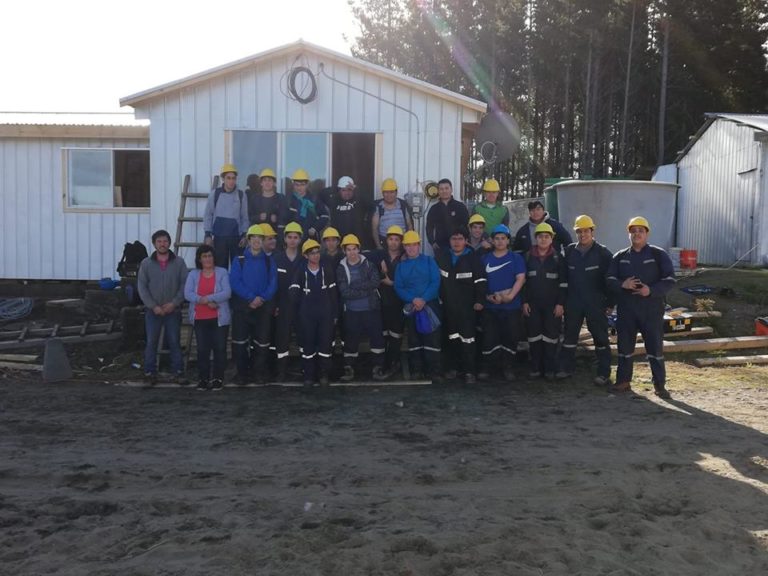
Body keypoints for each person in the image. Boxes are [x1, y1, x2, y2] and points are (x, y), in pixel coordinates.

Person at [606, 216, 676, 399]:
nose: (636, 234)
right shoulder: (620, 257)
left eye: (640, 231)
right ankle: (623, 381)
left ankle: (659, 385)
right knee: (625, 347)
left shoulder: (657, 254)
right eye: (633, 231)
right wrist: (623, 284)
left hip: (651, 309)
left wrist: (651, 290)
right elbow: (609, 279)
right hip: (627, 309)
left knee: (654, 348)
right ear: (628, 234)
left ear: (647, 233)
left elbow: (670, 279)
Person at [558, 215, 614, 385]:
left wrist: (610, 303)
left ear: (592, 231)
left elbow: (611, 280)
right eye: (579, 231)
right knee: (569, 336)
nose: (582, 234)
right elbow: (562, 278)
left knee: (600, 338)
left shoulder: (603, 253)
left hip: (595, 302)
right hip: (573, 302)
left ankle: (603, 373)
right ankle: (566, 369)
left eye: (586, 231)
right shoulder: (568, 252)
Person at [137, 229, 189, 385]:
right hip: (153, 311)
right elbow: (142, 287)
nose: (162, 244)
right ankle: (149, 374)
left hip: (173, 310)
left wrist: (174, 303)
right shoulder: (146, 263)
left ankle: (178, 372)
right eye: (159, 241)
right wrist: (153, 306)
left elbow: (184, 285)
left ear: (170, 242)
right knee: (151, 342)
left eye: (165, 241)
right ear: (154, 244)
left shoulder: (179, 262)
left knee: (174, 341)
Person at [435, 226, 486, 384]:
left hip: (467, 307)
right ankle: (453, 368)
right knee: (451, 338)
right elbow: (437, 280)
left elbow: (480, 281)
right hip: (448, 306)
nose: (456, 242)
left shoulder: (473, 258)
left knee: (468, 339)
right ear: (449, 241)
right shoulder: (442, 257)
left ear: (466, 241)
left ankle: (470, 371)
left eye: (460, 239)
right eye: (453, 239)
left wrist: (479, 301)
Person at [229, 224, 278, 385]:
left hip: (262, 307)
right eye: (253, 237)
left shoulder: (270, 261)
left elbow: (273, 283)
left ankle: (259, 373)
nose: (256, 240)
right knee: (240, 342)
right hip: (243, 307)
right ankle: (242, 374)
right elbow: (235, 282)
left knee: (262, 343)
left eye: (260, 238)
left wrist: (261, 298)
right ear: (248, 240)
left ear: (263, 241)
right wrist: (251, 298)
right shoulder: (239, 260)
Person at [479, 224, 526, 381]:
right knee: (489, 338)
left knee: (510, 337)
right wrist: (487, 297)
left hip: (511, 306)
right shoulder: (484, 259)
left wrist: (511, 296)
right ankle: (487, 367)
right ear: (492, 240)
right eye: (497, 238)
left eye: (503, 238)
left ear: (508, 241)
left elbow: (521, 278)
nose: (500, 242)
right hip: (490, 306)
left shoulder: (516, 258)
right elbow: (480, 282)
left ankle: (508, 367)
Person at [336, 234, 387, 382]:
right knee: (351, 340)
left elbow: (375, 282)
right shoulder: (341, 268)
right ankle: (349, 368)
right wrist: (365, 290)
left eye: (354, 249)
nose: (352, 252)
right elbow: (345, 291)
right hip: (352, 311)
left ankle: (378, 368)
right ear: (344, 251)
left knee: (377, 339)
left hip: (371, 309)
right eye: (349, 249)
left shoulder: (368, 264)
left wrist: (356, 287)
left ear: (359, 249)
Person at [395, 230, 443, 383]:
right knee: (414, 340)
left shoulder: (429, 261)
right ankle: (417, 370)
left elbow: (435, 282)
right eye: (407, 245)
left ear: (419, 245)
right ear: (404, 247)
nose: (411, 248)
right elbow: (398, 287)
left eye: (413, 245)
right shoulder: (401, 266)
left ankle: (434, 371)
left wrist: (423, 299)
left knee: (432, 339)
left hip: (430, 306)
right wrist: (413, 300)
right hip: (412, 307)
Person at [290, 239, 339, 387]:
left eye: (317, 252)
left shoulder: (326, 269)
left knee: (325, 344)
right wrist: (300, 310)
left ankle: (324, 374)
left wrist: (335, 314)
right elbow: (293, 293)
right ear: (305, 255)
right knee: (308, 345)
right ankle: (309, 375)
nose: (316, 256)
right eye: (312, 253)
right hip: (307, 315)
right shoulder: (300, 271)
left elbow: (333, 293)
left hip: (325, 314)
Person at [523, 223, 568, 379]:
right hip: (532, 304)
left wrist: (560, 304)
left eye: (546, 236)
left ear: (552, 239)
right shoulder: (528, 256)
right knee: (534, 336)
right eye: (540, 236)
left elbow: (563, 283)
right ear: (536, 238)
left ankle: (549, 369)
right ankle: (536, 367)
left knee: (551, 336)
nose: (543, 239)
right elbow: (523, 282)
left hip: (552, 305)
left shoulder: (558, 258)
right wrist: (524, 302)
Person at [184, 245, 231, 391]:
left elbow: (227, 292)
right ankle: (203, 378)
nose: (207, 259)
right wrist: (203, 300)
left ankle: (218, 378)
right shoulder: (193, 274)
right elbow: (188, 293)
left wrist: (209, 299)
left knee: (220, 349)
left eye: (210, 256)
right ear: (199, 259)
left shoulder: (222, 272)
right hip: (200, 318)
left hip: (219, 318)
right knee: (202, 350)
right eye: (204, 256)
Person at [370, 225, 406, 378]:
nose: (393, 242)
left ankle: (394, 362)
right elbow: (366, 268)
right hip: (382, 302)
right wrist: (380, 273)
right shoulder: (378, 255)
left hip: (399, 302)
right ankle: (382, 362)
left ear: (401, 242)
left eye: (396, 239)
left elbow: (409, 279)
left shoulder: (406, 257)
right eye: (391, 239)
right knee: (383, 333)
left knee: (396, 334)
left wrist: (391, 282)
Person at [272, 222, 304, 381]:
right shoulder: (277, 259)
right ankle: (281, 371)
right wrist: (275, 305)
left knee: (304, 337)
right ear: (284, 239)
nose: (292, 240)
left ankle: (305, 368)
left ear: (300, 239)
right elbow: (273, 284)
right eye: (289, 237)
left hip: (301, 306)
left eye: (295, 237)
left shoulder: (304, 259)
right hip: (283, 305)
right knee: (282, 338)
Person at [203, 163, 249, 268]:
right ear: (223, 179)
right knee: (219, 268)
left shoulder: (241, 195)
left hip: (236, 239)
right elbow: (208, 215)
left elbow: (244, 217)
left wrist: (244, 235)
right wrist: (207, 235)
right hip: (219, 238)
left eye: (233, 178)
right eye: (228, 178)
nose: (231, 181)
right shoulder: (215, 194)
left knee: (237, 267)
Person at [426, 178, 469, 255]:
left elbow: (467, 225)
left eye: (446, 188)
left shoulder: (460, 206)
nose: (444, 191)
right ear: (438, 191)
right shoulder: (434, 209)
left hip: (459, 245)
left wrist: (465, 240)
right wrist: (432, 242)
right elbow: (429, 227)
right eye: (441, 189)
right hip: (440, 246)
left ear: (451, 189)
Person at [371, 178, 414, 247]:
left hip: (402, 243)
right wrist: (379, 247)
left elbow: (410, 226)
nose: (389, 195)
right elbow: (374, 229)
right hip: (385, 243)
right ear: (382, 193)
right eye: (386, 192)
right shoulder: (378, 206)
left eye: (391, 192)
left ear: (396, 192)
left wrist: (408, 244)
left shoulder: (403, 205)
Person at [246, 168, 289, 237]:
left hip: (276, 236)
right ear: (261, 183)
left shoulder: (281, 198)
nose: (267, 183)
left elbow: (286, 217)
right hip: (259, 236)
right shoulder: (255, 199)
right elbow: (249, 217)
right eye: (265, 180)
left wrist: (277, 218)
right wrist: (258, 217)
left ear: (274, 183)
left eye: (270, 180)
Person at [288, 169, 328, 241]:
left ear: (307, 184)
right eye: (297, 185)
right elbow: (284, 219)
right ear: (293, 185)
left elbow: (325, 216)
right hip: (294, 240)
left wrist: (315, 228)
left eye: (302, 185)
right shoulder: (288, 200)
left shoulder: (314, 200)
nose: (299, 187)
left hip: (311, 239)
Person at [327, 176, 368, 243]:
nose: (347, 193)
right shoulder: (334, 202)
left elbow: (370, 203)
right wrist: (335, 188)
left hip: (356, 243)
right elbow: (321, 195)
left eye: (349, 189)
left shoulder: (359, 201)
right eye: (343, 190)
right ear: (339, 191)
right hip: (339, 243)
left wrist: (356, 188)